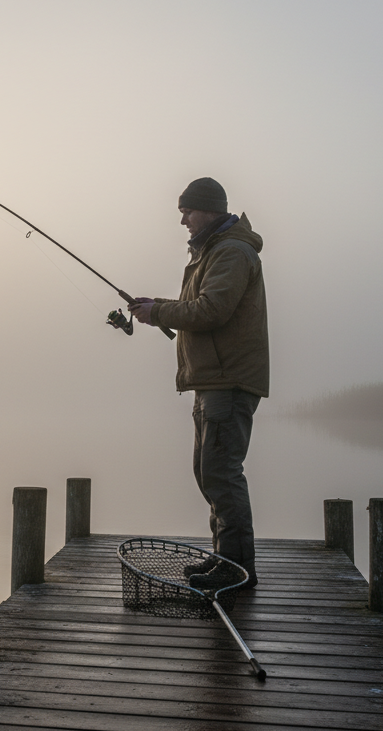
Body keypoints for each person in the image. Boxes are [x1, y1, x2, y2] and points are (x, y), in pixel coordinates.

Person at [128, 177, 269, 589]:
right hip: (211, 381)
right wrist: (159, 309)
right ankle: (226, 560)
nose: (184, 220)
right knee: (209, 472)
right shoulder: (214, 251)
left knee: (221, 474)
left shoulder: (231, 252)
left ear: (209, 209)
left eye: (187, 211)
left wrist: (160, 313)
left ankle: (237, 571)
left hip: (228, 380)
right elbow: (198, 308)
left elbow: (211, 311)